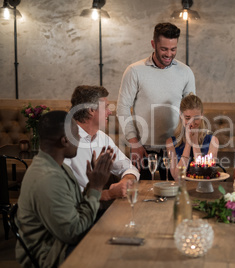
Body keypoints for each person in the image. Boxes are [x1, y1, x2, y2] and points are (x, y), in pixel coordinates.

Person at [16, 111, 115, 268]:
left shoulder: (59, 167)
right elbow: (74, 233)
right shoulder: (47, 178)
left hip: (63, 240)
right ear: (65, 140)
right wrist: (96, 187)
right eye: (77, 135)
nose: (80, 139)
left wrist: (92, 184)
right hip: (52, 254)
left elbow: (76, 208)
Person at [117, 22, 196, 179]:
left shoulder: (186, 72)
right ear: (153, 44)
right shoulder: (134, 71)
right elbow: (123, 107)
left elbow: (192, 110)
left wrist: (190, 144)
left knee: (177, 196)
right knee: (143, 198)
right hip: (143, 148)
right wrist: (134, 142)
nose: (169, 54)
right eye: (164, 49)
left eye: (173, 49)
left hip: (177, 148)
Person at [64, 85, 140, 201]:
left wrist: (126, 181)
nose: (109, 112)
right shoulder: (66, 142)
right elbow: (66, 194)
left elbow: (128, 167)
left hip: (98, 208)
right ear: (91, 111)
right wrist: (108, 194)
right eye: (106, 107)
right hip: (77, 212)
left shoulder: (103, 138)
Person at [166, 94, 219, 179]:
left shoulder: (213, 141)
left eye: (196, 118)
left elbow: (204, 174)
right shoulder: (170, 142)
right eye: (187, 118)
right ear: (181, 115)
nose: (192, 123)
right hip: (180, 189)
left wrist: (195, 143)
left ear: (202, 115)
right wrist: (188, 144)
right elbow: (177, 177)